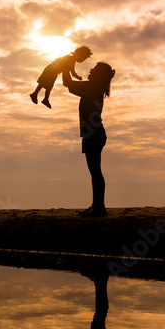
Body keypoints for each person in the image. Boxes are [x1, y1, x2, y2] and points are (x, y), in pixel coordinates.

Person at [62, 62, 115, 217]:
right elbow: (70, 85)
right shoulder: (95, 87)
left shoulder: (92, 87)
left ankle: (100, 207)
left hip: (94, 135)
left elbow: (68, 84)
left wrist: (65, 67)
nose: (90, 70)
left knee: (96, 172)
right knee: (94, 172)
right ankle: (96, 205)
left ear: (98, 74)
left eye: (94, 69)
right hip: (93, 134)